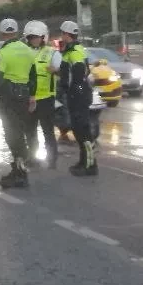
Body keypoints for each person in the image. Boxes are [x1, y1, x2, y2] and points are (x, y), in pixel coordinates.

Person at [0, 18, 37, 189]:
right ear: (16, 32)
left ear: (2, 33)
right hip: (24, 96)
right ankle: (20, 169)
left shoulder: (3, 53)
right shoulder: (28, 50)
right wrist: (32, 96)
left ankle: (20, 173)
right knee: (19, 132)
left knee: (12, 135)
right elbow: (33, 75)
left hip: (9, 98)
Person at [57, 20, 97, 176]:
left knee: (83, 132)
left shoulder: (75, 51)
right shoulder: (70, 50)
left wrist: (75, 90)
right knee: (78, 130)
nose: (61, 36)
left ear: (67, 34)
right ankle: (83, 161)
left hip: (78, 96)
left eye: (62, 33)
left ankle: (90, 165)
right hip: (75, 95)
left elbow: (79, 73)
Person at [23, 21, 60, 169]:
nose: (34, 40)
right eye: (31, 37)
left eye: (36, 37)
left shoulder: (53, 53)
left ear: (44, 37)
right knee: (30, 131)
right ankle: (32, 158)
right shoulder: (24, 53)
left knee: (48, 131)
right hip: (29, 99)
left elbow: (63, 72)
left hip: (46, 99)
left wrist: (56, 71)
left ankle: (52, 159)